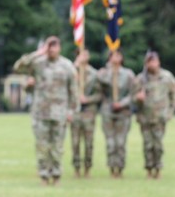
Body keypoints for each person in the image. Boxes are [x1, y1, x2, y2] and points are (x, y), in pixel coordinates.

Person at [13, 36, 79, 186]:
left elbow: (73, 91)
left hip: (60, 113)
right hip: (40, 112)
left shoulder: (67, 66)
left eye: (54, 46)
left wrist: (72, 111)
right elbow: (18, 67)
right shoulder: (37, 63)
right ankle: (43, 175)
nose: (52, 49)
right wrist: (37, 53)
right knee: (42, 146)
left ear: (59, 48)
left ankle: (56, 175)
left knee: (57, 147)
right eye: (49, 46)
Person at [134, 51, 175, 179]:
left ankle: (158, 169)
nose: (152, 64)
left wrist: (170, 113)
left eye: (154, 61)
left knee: (158, 144)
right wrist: (138, 98)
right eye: (149, 62)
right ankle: (149, 169)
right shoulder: (140, 79)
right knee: (147, 145)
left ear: (158, 62)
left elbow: (174, 96)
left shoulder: (167, 77)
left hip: (160, 117)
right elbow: (132, 98)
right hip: (145, 117)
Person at [97, 49, 135, 178]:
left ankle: (120, 167)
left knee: (120, 142)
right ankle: (112, 167)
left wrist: (122, 103)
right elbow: (101, 81)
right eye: (112, 56)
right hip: (108, 111)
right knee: (110, 142)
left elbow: (133, 94)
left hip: (123, 112)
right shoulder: (104, 73)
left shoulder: (128, 74)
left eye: (118, 55)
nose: (115, 58)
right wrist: (110, 69)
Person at [70, 49, 100, 178]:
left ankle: (87, 168)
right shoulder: (71, 71)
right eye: (82, 54)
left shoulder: (94, 74)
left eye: (86, 54)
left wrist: (88, 99)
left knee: (89, 142)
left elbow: (100, 94)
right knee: (75, 142)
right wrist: (75, 66)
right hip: (75, 110)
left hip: (89, 112)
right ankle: (76, 168)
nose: (84, 57)